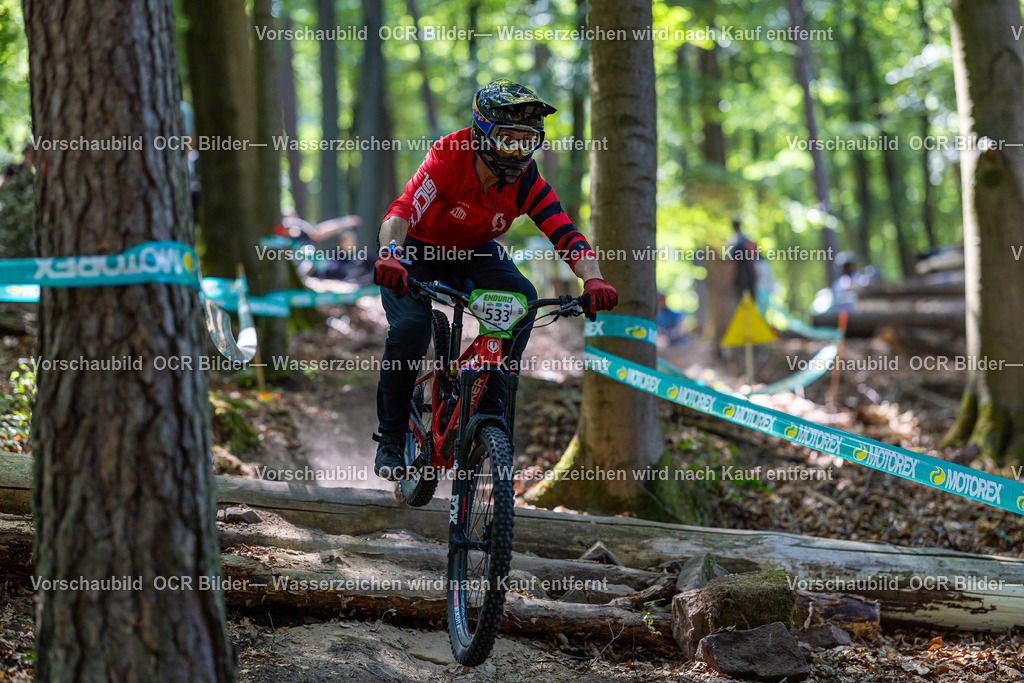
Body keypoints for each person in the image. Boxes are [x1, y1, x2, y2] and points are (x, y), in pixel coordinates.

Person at [371, 79, 618, 480]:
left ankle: (491, 399)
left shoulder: (525, 181)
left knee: (522, 296)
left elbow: (565, 232)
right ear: (482, 132)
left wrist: (594, 279)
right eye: (508, 139)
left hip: (473, 250)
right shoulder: (450, 155)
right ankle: (392, 440)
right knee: (412, 328)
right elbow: (402, 209)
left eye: (528, 141)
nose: (518, 151)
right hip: (414, 247)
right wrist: (390, 254)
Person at [725, 218, 759, 300]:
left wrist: (731, 278)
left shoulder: (732, 242)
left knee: (740, 301)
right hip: (750, 275)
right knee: (752, 300)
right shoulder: (747, 240)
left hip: (739, 277)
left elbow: (731, 262)